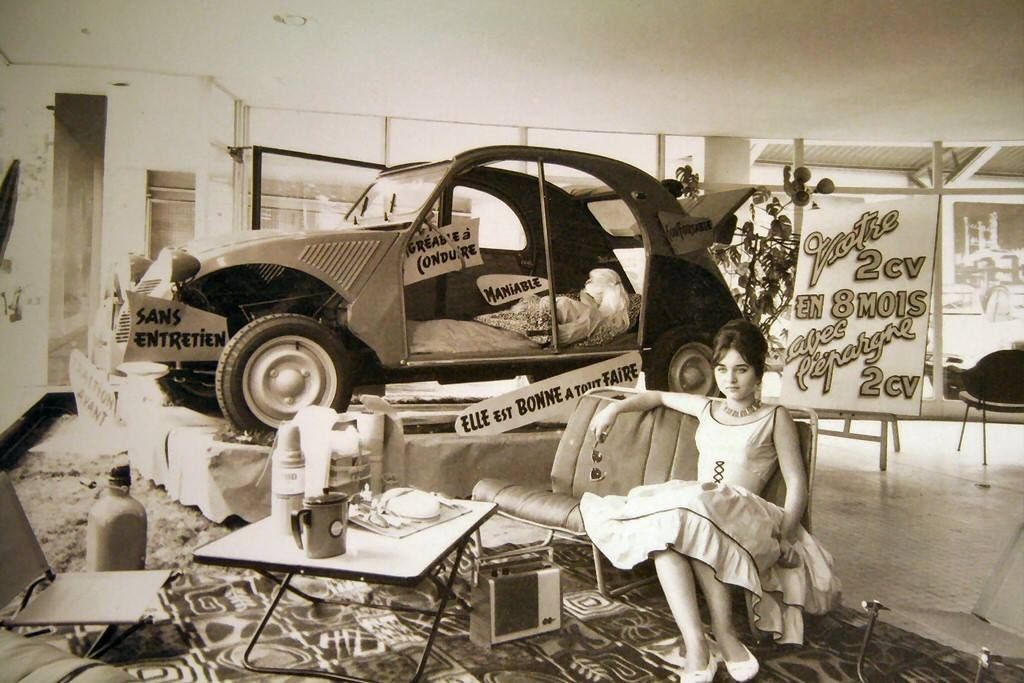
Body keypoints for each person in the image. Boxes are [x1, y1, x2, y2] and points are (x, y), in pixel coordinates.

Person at [580, 319, 840, 682]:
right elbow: (657, 396)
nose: (730, 379)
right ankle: (698, 646)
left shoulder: (774, 417)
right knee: (666, 539)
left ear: (758, 372)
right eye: (722, 369)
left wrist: (785, 534)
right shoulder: (707, 407)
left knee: (691, 517)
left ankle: (725, 633)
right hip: (701, 508)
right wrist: (612, 410)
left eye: (741, 369)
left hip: (747, 515)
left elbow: (797, 482)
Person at [552, 267, 631, 344]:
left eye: (591, 280)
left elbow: (557, 336)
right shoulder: (621, 322)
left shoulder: (593, 316)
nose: (586, 282)